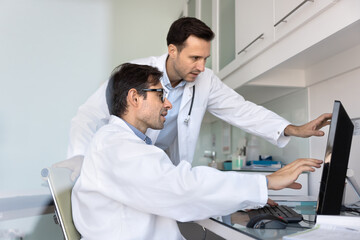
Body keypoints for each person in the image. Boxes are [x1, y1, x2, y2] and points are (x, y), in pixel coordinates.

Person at [71, 63, 323, 239]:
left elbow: (241, 110)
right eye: (160, 94)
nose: (168, 103)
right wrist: (265, 182)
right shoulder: (116, 147)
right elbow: (180, 188)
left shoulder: (127, 144)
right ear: (135, 98)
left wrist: (246, 196)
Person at [59, 17, 331, 180]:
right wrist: (79, 156)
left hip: (163, 169)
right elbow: (87, 115)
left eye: (205, 59)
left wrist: (292, 129)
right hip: (123, 162)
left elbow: (241, 110)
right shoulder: (135, 75)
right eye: (194, 58)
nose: (201, 67)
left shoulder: (205, 80)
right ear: (172, 50)